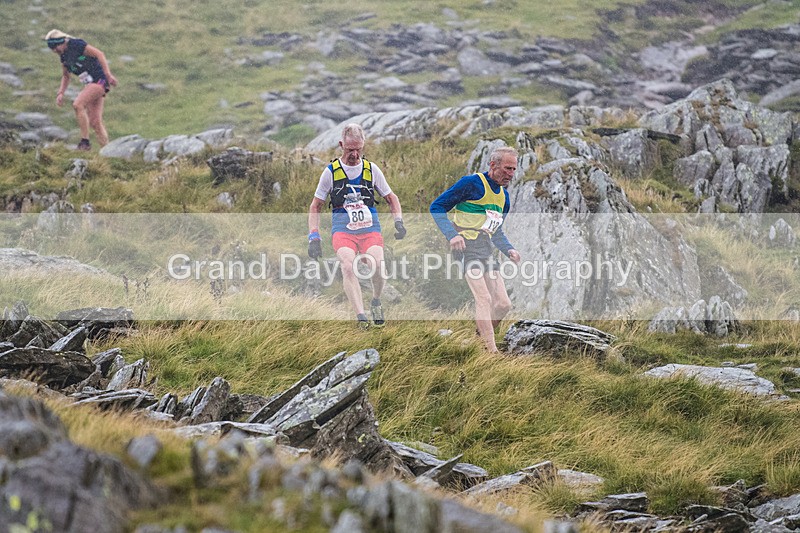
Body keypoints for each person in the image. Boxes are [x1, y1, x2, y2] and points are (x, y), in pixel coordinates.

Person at [308, 123, 406, 329]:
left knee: (378, 266)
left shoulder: (371, 169)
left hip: (369, 229)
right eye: (349, 149)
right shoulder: (331, 172)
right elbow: (315, 206)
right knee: (347, 265)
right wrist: (313, 236)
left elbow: (391, 198)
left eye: (358, 149)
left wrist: (398, 221)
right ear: (341, 144)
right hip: (343, 230)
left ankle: (376, 300)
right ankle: (361, 316)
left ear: (363, 145)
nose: (354, 154)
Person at [430, 146, 521, 352]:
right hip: (465, 245)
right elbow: (436, 206)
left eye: (514, 169)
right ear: (493, 165)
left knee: (503, 304)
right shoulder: (471, 184)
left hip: (485, 247)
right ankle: (491, 351)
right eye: (507, 168)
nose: (511, 174)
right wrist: (452, 235)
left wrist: (509, 250)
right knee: (484, 297)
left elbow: (496, 231)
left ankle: (478, 341)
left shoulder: (504, 198)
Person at [44, 29, 118, 151]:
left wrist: (108, 75)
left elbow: (100, 54)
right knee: (95, 122)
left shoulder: (76, 44)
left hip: (99, 80)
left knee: (78, 104)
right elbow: (66, 76)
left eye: (55, 47)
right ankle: (107, 153)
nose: (54, 50)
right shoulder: (63, 57)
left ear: (61, 42)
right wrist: (61, 92)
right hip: (90, 84)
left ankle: (85, 142)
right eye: (51, 48)